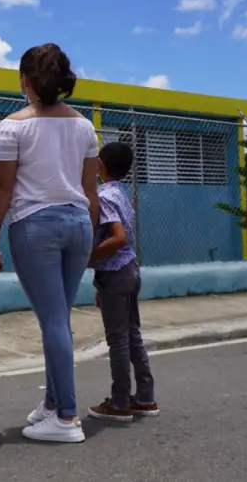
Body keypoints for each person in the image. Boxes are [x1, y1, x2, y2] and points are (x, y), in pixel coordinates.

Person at [0, 43, 100, 444]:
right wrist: (92, 242)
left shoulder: (13, 126)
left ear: (26, 81)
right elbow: (91, 192)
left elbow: (0, 192)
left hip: (36, 227)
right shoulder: (85, 126)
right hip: (79, 224)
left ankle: (66, 417)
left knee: (52, 320)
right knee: (59, 318)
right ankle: (52, 404)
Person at [84, 141, 159, 422]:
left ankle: (119, 403)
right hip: (128, 271)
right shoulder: (120, 194)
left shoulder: (103, 197)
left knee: (117, 340)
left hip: (116, 274)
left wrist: (89, 256)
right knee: (131, 334)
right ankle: (145, 397)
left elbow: (118, 238)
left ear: (100, 164)